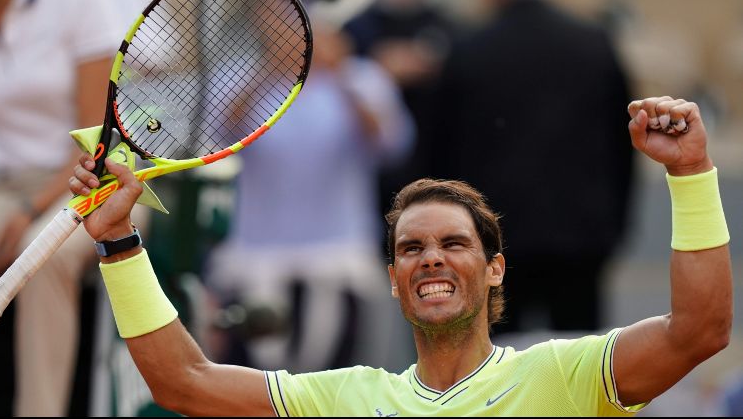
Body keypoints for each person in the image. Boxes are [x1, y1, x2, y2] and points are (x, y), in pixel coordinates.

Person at [70, 95, 731, 416]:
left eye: (454, 243)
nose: (431, 258)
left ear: (495, 268)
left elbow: (699, 330)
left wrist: (691, 172)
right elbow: (184, 381)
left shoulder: (564, 374)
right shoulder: (346, 397)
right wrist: (118, 242)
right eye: (412, 248)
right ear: (394, 279)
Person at [0, 0, 144, 415]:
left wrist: (31, 210)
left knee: (43, 256)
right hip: (4, 185)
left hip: (98, 183)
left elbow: (95, 141)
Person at [432, 0, 634, 332]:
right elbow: (622, 144)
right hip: (581, 236)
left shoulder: (469, 49)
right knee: (580, 358)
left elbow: (442, 152)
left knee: (496, 361)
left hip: (495, 239)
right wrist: (614, 227)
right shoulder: (592, 43)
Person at [203, 20, 415, 373]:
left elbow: (390, 145)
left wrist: (340, 74)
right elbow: (216, 140)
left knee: (334, 377)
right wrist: (271, 71)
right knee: (251, 377)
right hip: (255, 258)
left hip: (338, 259)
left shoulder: (361, 78)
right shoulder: (239, 76)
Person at [344, 0, 454, 219]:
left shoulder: (445, 24)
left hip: (432, 167)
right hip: (371, 183)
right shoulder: (358, 24)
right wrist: (377, 72)